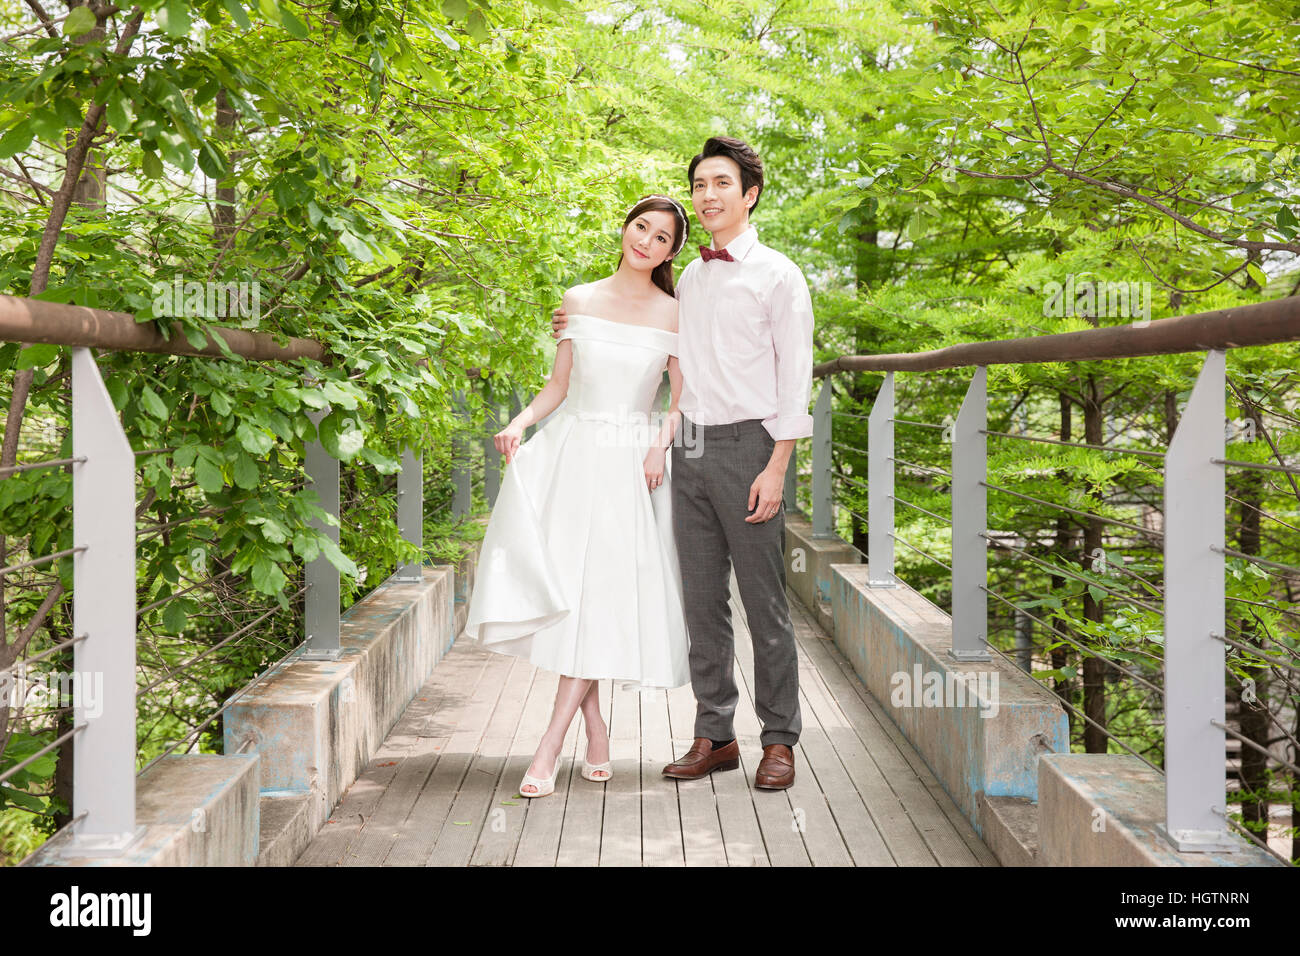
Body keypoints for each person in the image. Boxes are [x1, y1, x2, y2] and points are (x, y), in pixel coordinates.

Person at [552, 137, 814, 791]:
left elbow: (796, 378)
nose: (709, 195)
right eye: (700, 185)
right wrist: (577, 319)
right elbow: (642, 328)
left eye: (722, 183)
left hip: (751, 448)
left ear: (749, 194)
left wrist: (777, 463)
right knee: (702, 604)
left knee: (764, 603)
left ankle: (779, 740)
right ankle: (715, 735)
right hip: (687, 447)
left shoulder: (779, 275)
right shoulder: (691, 277)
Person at [463, 195, 693, 798]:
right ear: (625, 229)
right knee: (574, 595)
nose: (647, 241)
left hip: (629, 463)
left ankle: (549, 747)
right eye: (641, 227)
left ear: (672, 251)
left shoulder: (675, 313)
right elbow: (557, 388)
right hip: (571, 456)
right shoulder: (578, 299)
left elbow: (682, 401)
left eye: (662, 238)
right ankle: (595, 727)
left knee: (600, 594)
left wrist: (659, 446)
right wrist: (519, 422)